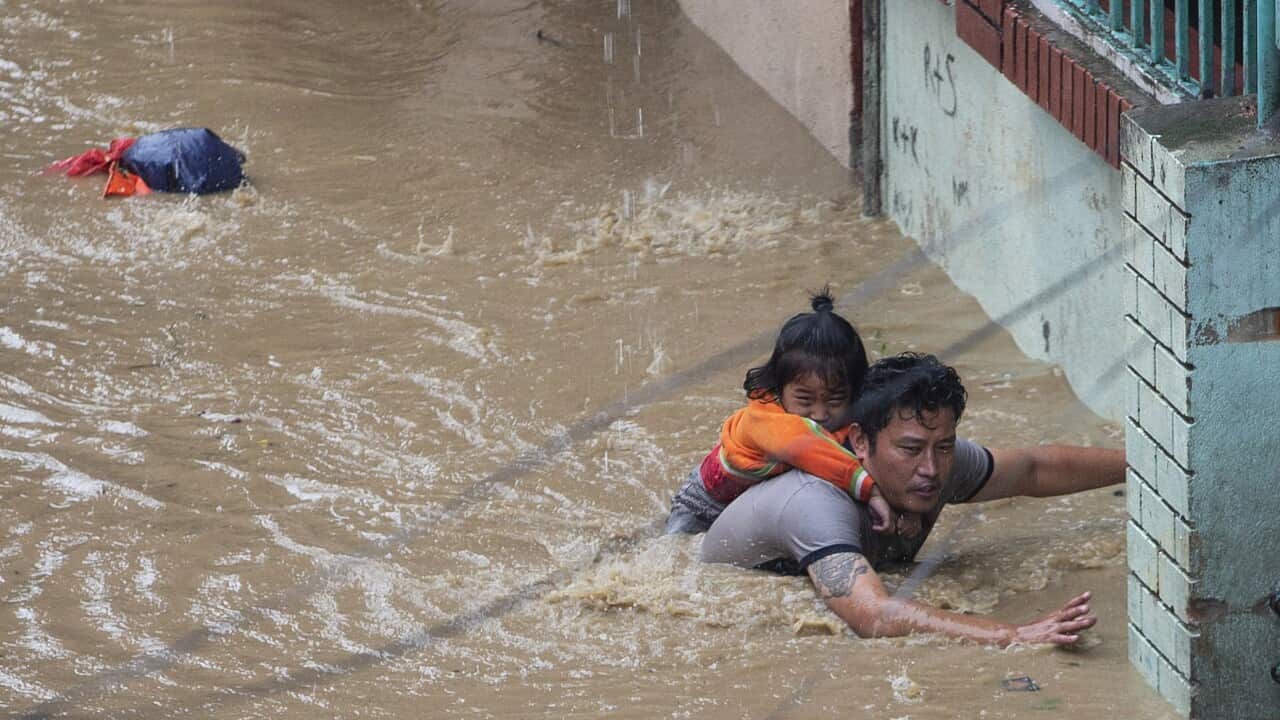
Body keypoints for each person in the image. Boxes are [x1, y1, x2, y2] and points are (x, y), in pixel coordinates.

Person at [699, 352, 1125, 646]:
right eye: (910, 449)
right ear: (861, 442)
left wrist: (1146, 463)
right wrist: (1012, 635)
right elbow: (874, 617)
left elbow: (1033, 469)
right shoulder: (816, 503)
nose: (931, 470)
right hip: (717, 589)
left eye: (944, 447)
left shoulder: (938, 460)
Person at [664, 289, 920, 538]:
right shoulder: (764, 421)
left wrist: (906, 509)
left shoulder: (851, 422)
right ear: (779, 388)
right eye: (805, 399)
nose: (819, 414)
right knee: (672, 552)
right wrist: (873, 493)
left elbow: (878, 459)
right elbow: (811, 449)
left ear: (854, 393)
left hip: (756, 506)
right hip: (703, 508)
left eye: (835, 399)